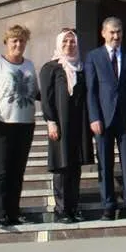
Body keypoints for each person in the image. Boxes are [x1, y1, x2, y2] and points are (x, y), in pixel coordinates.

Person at [0, 24, 39, 228]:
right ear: (7, 42)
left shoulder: (29, 65)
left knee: (18, 170)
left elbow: (36, 92)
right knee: (3, 170)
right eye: (14, 40)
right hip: (2, 123)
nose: (18, 44)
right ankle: (1, 213)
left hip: (25, 123)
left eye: (22, 41)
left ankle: (14, 211)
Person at [84, 16, 126, 220]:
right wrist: (93, 117)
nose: (116, 36)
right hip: (103, 119)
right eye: (112, 32)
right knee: (105, 164)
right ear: (103, 33)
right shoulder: (93, 57)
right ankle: (108, 205)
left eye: (119, 32)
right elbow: (91, 90)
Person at [39, 28, 94, 223]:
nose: (69, 46)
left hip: (79, 124)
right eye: (65, 42)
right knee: (62, 167)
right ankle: (61, 209)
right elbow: (46, 98)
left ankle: (73, 207)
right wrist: (51, 121)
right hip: (60, 124)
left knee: (75, 166)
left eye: (72, 42)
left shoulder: (82, 67)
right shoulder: (51, 68)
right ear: (59, 44)